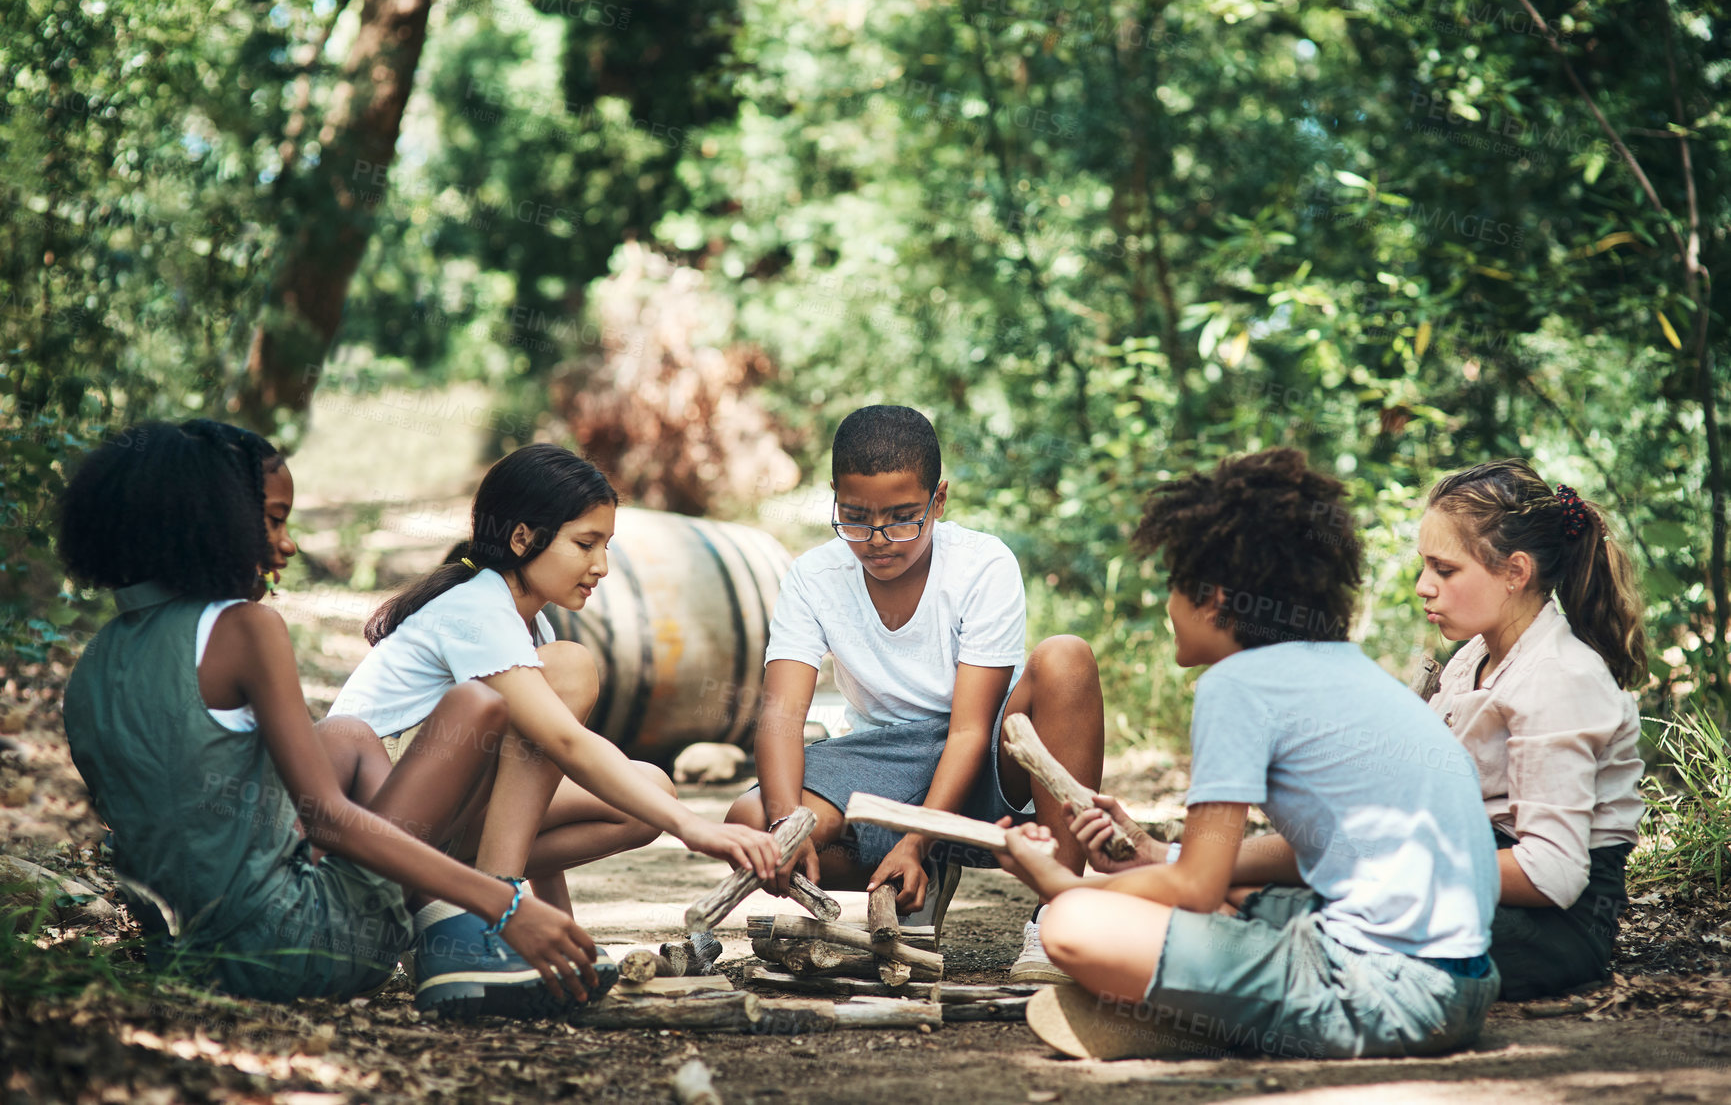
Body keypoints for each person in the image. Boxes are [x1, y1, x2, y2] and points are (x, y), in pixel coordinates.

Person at [58, 420, 603, 1017]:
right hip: (303, 945)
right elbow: (328, 820)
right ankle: (470, 932)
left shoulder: (93, 667)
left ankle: (449, 920)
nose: (288, 544)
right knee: (476, 703)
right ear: (205, 518)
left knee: (349, 734)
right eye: (273, 519)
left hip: (193, 958)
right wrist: (504, 904)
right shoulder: (245, 628)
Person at [998, 448, 1501, 1060]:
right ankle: (1188, 1004)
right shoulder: (1346, 670)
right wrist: (1159, 854)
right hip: (1463, 986)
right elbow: (1321, 845)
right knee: (1235, 898)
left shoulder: (1235, 687)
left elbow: (1195, 892)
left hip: (1384, 993)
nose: (1166, 608)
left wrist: (1058, 883)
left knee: (1071, 928)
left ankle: (1184, 1022)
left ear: (1212, 598)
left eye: (1173, 587)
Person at [328, 443, 780, 1003]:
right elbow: (563, 741)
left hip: (437, 821)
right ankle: (491, 913)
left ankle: (501, 920)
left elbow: (530, 780)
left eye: (607, 546)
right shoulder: (475, 608)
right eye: (585, 544)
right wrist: (695, 827)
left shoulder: (528, 625)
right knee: (570, 670)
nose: (602, 566)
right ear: (523, 539)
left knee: (648, 789)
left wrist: (563, 936)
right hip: (379, 821)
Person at [724, 405, 1106, 981]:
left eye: (904, 518)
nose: (879, 540)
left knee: (1067, 658)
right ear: (834, 497)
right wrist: (786, 824)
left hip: (982, 757)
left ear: (939, 500)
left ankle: (1057, 913)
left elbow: (971, 729)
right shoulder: (813, 576)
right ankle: (912, 880)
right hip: (881, 760)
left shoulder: (982, 565)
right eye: (855, 518)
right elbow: (781, 716)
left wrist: (916, 838)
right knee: (749, 823)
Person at [1417, 459, 1647, 1000]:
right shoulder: (1474, 657)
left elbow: (1552, 871)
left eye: (1444, 570)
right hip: (1479, 873)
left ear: (1515, 572)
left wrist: (1408, 869)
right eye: (1424, 566)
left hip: (1549, 929)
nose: (1424, 586)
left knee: (1343, 916)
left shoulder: (1559, 676)